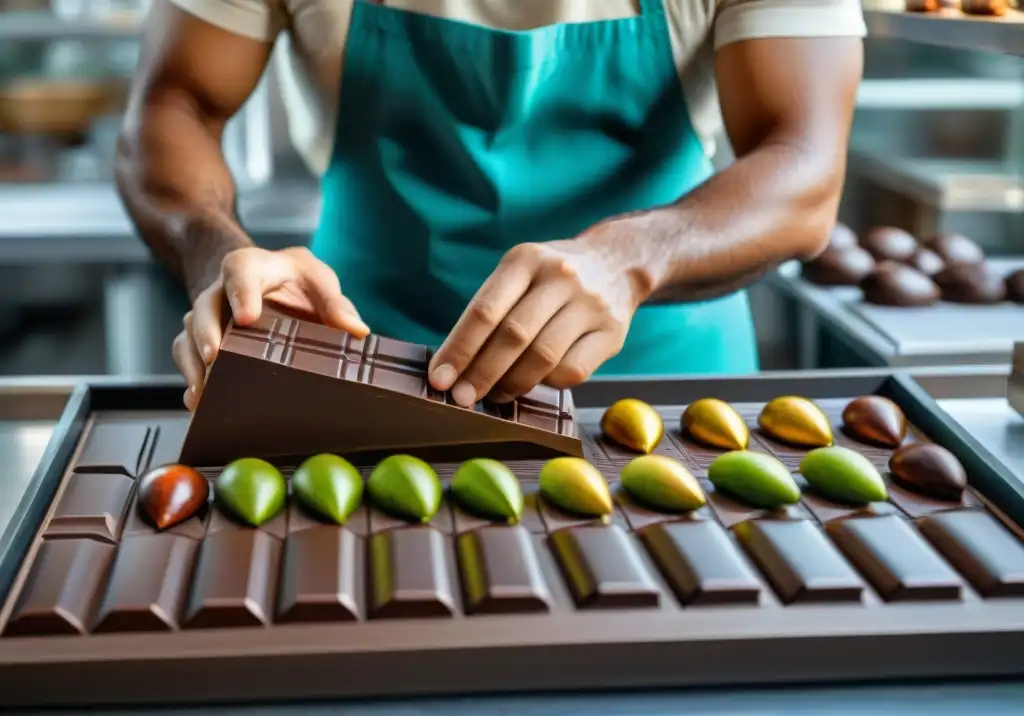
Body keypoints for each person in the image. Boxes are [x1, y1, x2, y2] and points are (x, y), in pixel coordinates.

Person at [116, 0, 864, 410]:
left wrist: (631, 257)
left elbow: (803, 165)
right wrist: (218, 254)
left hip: (662, 386)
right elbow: (174, 104)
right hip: (362, 368)